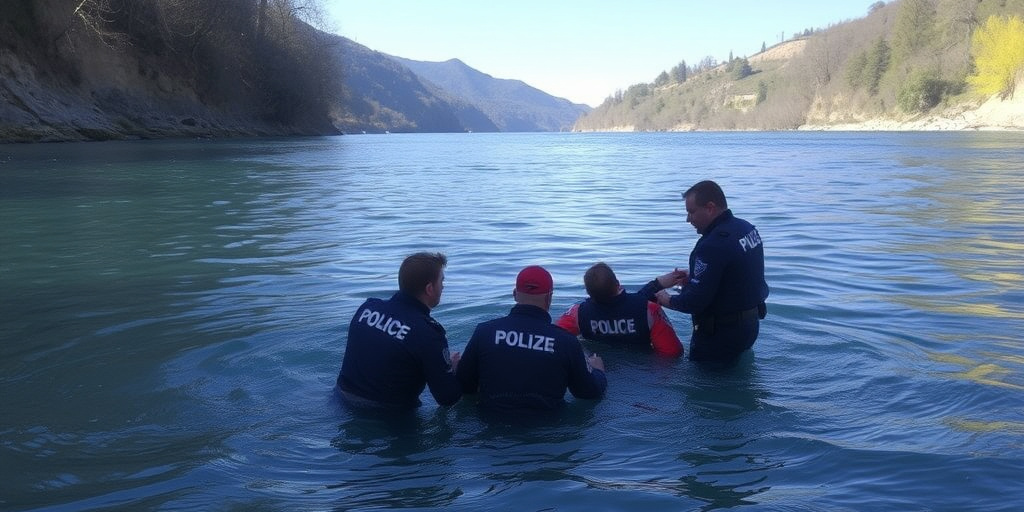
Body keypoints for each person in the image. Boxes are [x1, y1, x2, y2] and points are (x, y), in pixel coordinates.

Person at [640, 180, 769, 363]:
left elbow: (694, 302)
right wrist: (696, 277)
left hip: (720, 336)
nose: (688, 219)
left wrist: (665, 299)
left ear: (710, 208)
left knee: (704, 377)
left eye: (691, 212)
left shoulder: (712, 245)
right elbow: (739, 275)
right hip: (749, 326)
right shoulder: (746, 229)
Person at [456, 265, 607, 413]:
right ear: (549, 297)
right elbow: (588, 393)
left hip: (490, 421)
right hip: (548, 424)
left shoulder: (484, 332)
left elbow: (465, 386)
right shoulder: (566, 341)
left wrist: (458, 367)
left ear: (515, 294)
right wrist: (598, 371)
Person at [336, 252, 461, 409]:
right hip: (387, 417)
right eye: (441, 281)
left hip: (340, 400)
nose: (443, 286)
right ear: (429, 289)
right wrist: (451, 368)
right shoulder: (428, 333)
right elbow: (448, 398)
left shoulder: (367, 308)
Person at [555, 262, 683, 358]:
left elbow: (554, 338)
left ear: (588, 292)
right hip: (640, 370)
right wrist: (656, 286)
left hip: (601, 366)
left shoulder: (578, 313)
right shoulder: (649, 310)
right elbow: (672, 352)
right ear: (617, 284)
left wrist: (656, 285)